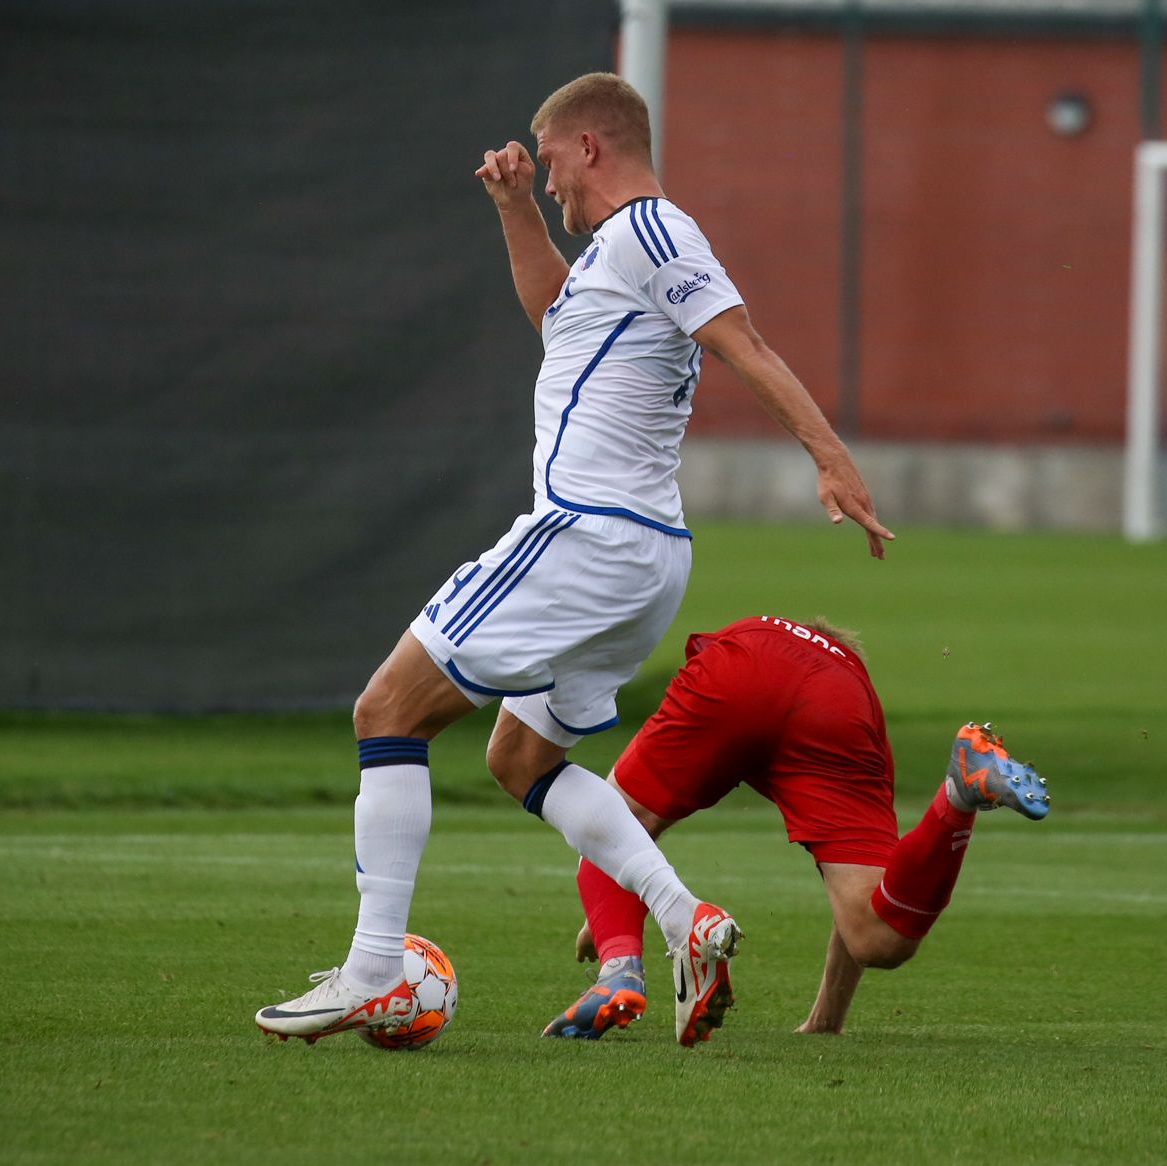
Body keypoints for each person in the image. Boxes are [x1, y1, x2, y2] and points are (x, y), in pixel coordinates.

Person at [253, 73, 893, 1048]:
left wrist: (829, 454)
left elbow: (743, 341)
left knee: (385, 710)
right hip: (639, 557)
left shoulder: (651, 232)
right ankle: (687, 919)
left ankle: (374, 968)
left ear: (590, 146)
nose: (542, 170)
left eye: (545, 155)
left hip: (586, 535)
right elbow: (553, 312)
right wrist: (512, 206)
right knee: (520, 757)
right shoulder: (610, 257)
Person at [538, 615, 1048, 1040]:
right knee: (878, 933)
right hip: (838, 700)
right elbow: (865, 896)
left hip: (737, 666)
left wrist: (611, 909)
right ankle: (958, 795)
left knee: (605, 822)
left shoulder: (758, 632)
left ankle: (620, 968)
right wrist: (826, 1023)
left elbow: (621, 831)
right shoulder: (852, 683)